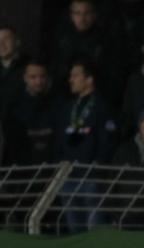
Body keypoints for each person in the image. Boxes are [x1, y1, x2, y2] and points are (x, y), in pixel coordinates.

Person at [54, 59, 117, 233]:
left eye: (75, 75)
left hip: (91, 178)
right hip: (68, 176)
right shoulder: (67, 107)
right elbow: (60, 139)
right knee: (74, 230)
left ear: (89, 79)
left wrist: (97, 168)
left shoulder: (102, 106)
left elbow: (107, 142)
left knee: (94, 230)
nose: (71, 80)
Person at [2, 60, 57, 165]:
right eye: (33, 77)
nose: (38, 82)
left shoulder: (56, 104)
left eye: (42, 77)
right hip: (22, 169)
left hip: (50, 167)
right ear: (25, 78)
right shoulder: (14, 108)